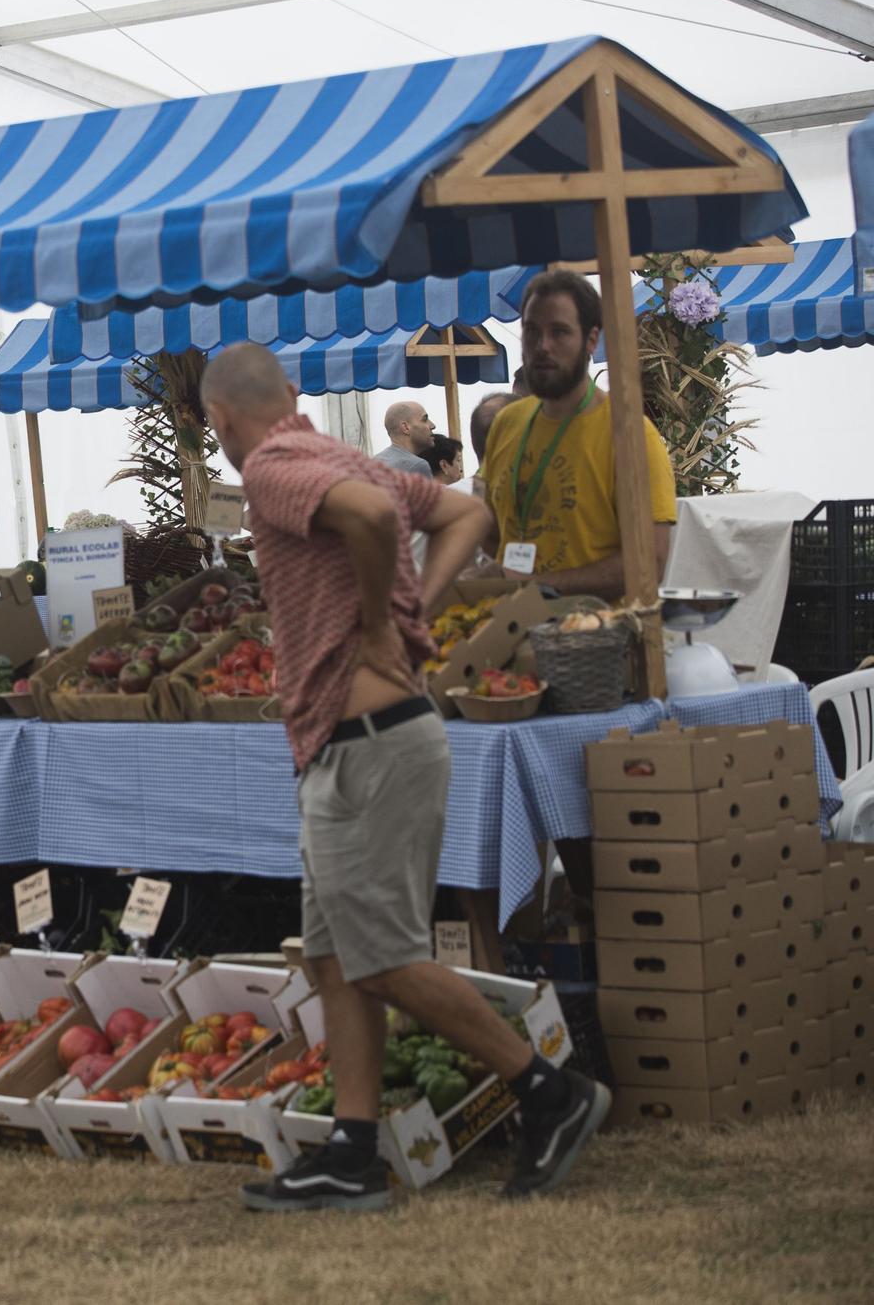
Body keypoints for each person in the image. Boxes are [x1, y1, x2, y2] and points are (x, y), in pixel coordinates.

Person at [197, 344, 608, 1212]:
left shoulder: (274, 465)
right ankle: (351, 1149)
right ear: (293, 395)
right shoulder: (343, 455)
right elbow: (469, 512)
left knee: (381, 957)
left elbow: (375, 525)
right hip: (356, 743)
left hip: (369, 744)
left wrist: (387, 623)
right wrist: (410, 601)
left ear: (222, 420)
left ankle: (549, 1090)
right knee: (334, 955)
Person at [479, 271, 677, 598]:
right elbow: (489, 525)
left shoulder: (630, 435)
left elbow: (649, 564)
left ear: (591, 340)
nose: (542, 347)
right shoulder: (506, 423)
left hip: (594, 637)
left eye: (559, 332)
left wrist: (540, 586)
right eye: (531, 331)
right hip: (506, 633)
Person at [373, 401, 435, 477]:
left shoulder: (373, 463)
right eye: (424, 420)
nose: (433, 426)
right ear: (405, 428)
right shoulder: (417, 466)